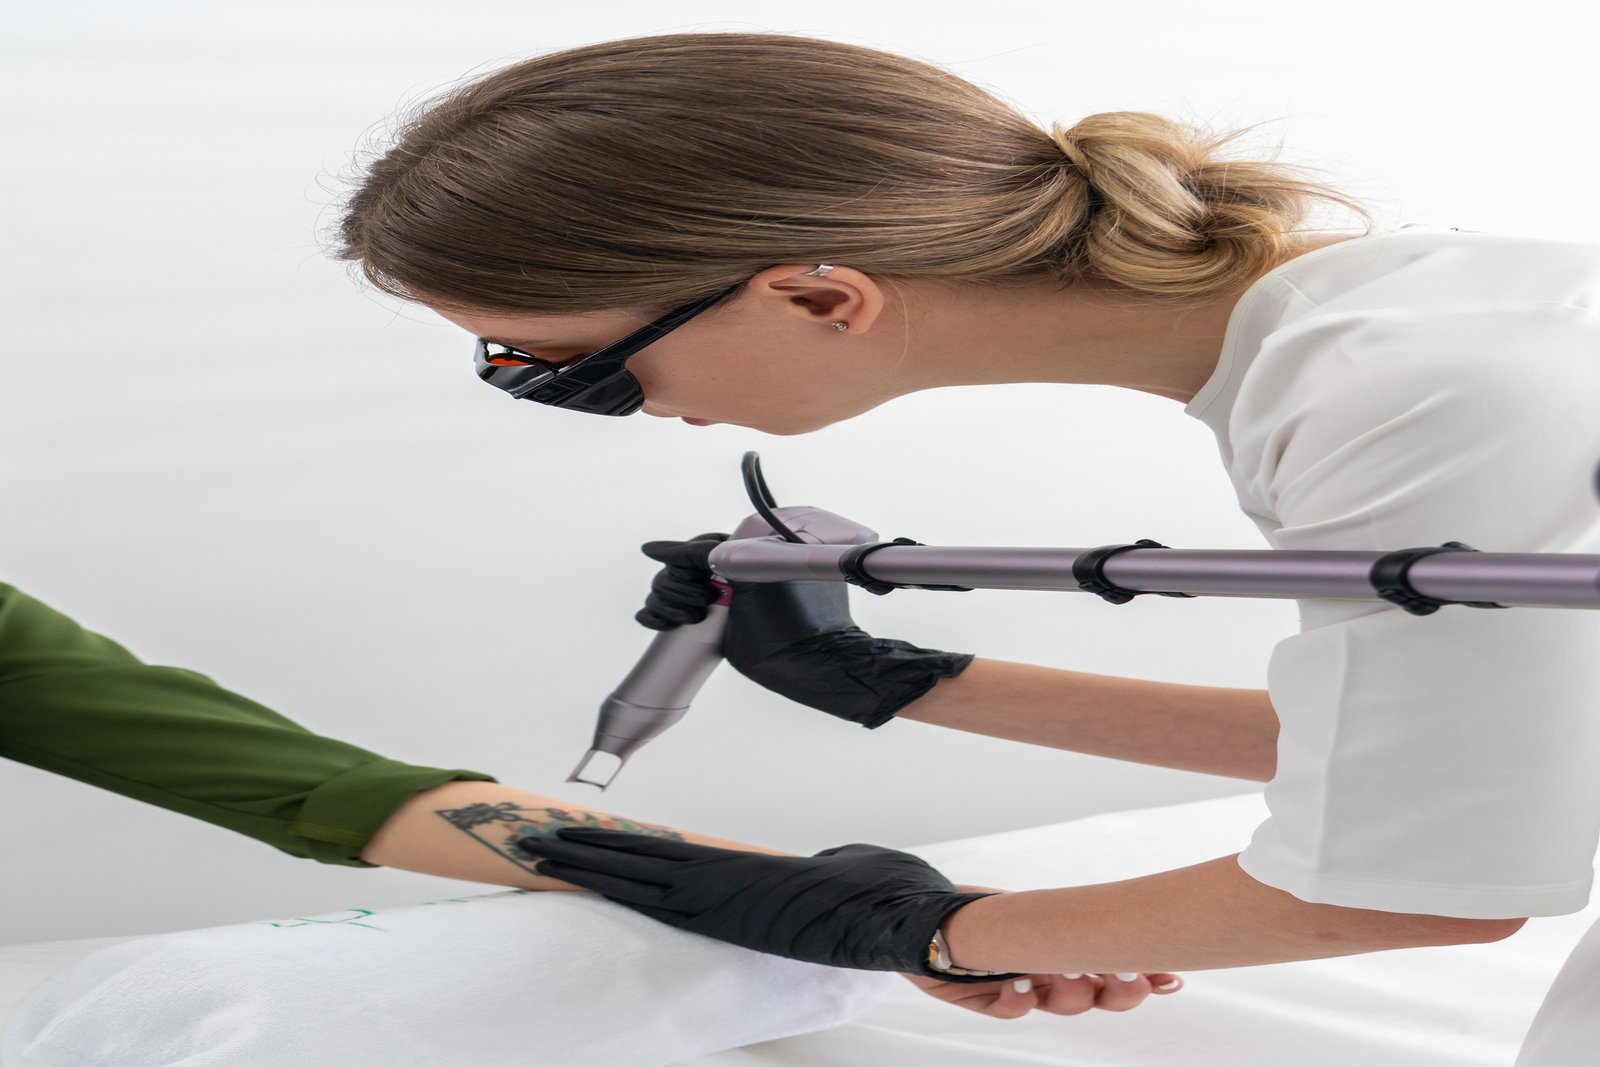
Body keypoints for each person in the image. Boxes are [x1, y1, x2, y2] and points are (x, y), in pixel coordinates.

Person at [329, 30, 1600, 1065]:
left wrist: (921, 931)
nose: (597, 407)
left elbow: (1416, 880)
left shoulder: (1399, 391)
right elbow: (1476, 748)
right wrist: (903, 679)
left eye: (568, 370)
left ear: (820, 296)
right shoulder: (1399, 318)